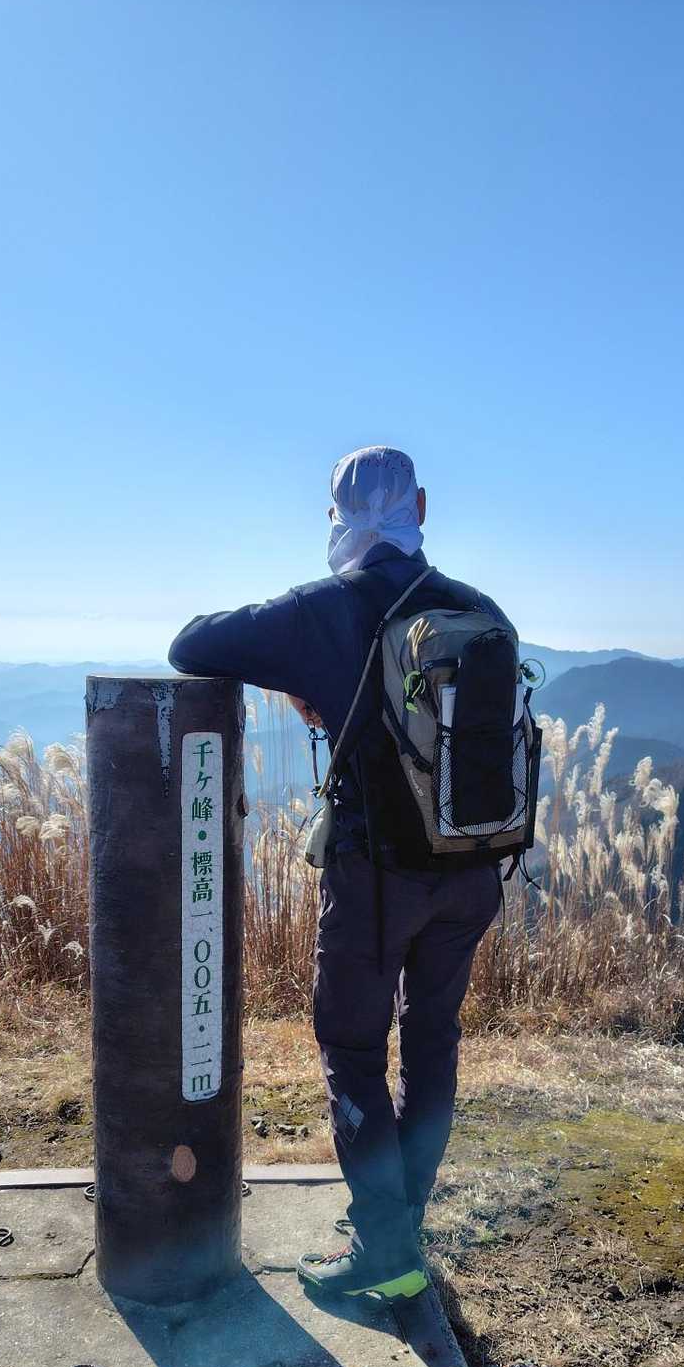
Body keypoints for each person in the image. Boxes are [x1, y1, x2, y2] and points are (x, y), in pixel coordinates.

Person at [169, 445, 513, 1301]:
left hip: (377, 883)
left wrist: (303, 679)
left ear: (336, 519)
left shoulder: (323, 611)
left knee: (353, 1047)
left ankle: (385, 1255)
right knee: (431, 1040)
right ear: (420, 508)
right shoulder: (480, 610)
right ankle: (402, 1230)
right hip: (472, 872)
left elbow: (191, 645)